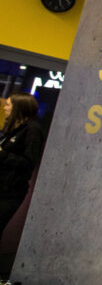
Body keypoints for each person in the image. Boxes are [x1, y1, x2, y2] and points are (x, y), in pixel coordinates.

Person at [0, 93, 44, 236]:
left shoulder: (33, 130)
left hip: (10, 192)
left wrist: (2, 153)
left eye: (8, 105)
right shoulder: (13, 125)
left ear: (19, 107)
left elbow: (28, 162)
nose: (5, 107)